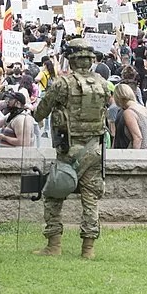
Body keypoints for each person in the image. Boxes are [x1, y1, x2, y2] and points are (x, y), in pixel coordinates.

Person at [31, 38, 109, 259]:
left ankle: (53, 245)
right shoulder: (103, 83)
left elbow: (40, 112)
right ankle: (88, 249)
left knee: (54, 195)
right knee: (91, 199)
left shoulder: (62, 84)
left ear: (70, 60)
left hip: (68, 150)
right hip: (95, 150)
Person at [113, 83, 147, 149]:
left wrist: (134, 156)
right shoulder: (144, 109)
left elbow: (138, 137)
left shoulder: (128, 112)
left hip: (140, 153)